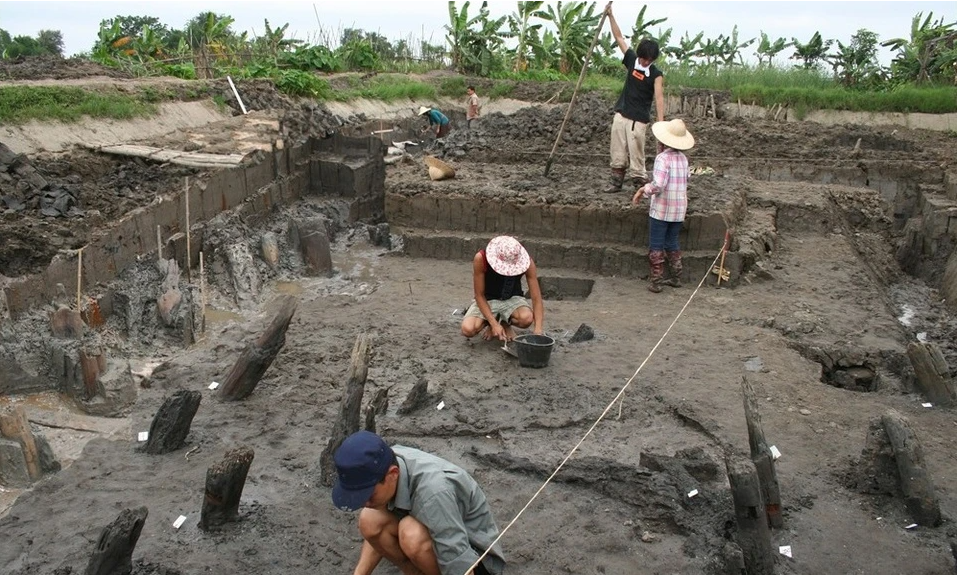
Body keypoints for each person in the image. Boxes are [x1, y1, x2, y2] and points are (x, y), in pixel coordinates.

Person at [332, 430, 506, 575]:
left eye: (368, 494)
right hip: (436, 533)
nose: (364, 501)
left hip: (475, 559)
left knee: (410, 533)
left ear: (392, 474)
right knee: (370, 518)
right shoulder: (384, 461)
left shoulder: (434, 492)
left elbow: (459, 560)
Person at [604, 5, 665, 194]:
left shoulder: (656, 74)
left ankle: (640, 183)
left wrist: (661, 123)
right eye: (644, 58)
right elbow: (619, 37)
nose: (646, 62)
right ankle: (616, 181)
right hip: (622, 113)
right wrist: (610, 16)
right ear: (640, 55)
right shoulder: (631, 60)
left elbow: (659, 97)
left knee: (637, 152)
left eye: (650, 60)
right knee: (617, 150)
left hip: (639, 119)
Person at [632, 118, 695, 293]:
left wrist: (643, 190)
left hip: (661, 210)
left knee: (657, 244)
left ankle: (656, 281)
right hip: (679, 209)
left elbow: (658, 185)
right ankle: (676, 277)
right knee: (672, 242)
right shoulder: (683, 159)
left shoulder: (662, 159)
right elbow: (687, 179)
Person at [461, 235, 544, 342]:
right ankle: (492, 322)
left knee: (526, 318)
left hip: (512, 298)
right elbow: (479, 295)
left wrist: (538, 330)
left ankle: (505, 323)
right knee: (468, 329)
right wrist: (494, 324)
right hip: (487, 299)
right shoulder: (481, 258)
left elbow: (536, 298)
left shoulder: (527, 262)